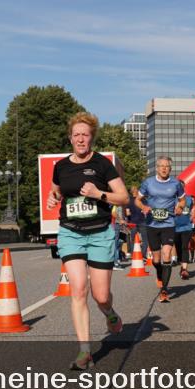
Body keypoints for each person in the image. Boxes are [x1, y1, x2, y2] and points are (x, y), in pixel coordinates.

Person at [45, 112, 129, 370]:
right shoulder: (61, 167)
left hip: (100, 232)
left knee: (100, 296)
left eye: (86, 134)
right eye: (76, 134)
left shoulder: (103, 164)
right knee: (78, 289)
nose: (81, 139)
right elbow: (57, 190)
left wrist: (98, 193)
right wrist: (53, 198)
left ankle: (109, 312)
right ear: (70, 138)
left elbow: (124, 197)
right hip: (70, 232)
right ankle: (85, 352)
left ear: (92, 138)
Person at [137, 157, 186, 303]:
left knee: (166, 255)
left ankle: (164, 290)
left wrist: (180, 207)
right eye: (161, 166)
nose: (164, 169)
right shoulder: (148, 183)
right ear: (157, 168)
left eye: (167, 166)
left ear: (170, 169)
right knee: (156, 259)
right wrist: (143, 207)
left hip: (168, 224)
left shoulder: (176, 183)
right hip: (152, 225)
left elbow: (182, 199)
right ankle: (159, 274)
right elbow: (137, 200)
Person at [174, 192, 195, 281]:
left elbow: (193, 210)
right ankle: (182, 265)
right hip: (174, 228)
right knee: (178, 248)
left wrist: (192, 216)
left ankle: (184, 269)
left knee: (185, 247)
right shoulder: (171, 199)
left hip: (187, 227)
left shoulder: (189, 199)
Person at [125, 184, 148, 258]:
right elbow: (146, 210)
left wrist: (128, 221)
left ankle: (134, 255)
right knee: (145, 239)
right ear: (136, 191)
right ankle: (143, 255)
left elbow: (127, 212)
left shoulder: (129, 200)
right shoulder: (142, 199)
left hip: (133, 222)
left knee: (133, 239)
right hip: (142, 221)